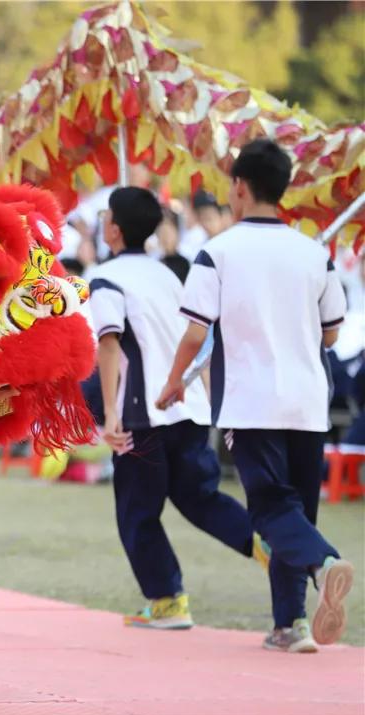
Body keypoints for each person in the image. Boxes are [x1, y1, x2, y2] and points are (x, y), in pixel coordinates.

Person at [157, 138, 354, 652]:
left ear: (239, 189)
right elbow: (332, 332)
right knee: (295, 512)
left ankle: (324, 563)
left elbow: (197, 332)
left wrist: (175, 379)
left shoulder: (216, 252)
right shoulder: (314, 252)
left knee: (269, 511)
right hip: (308, 401)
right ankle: (291, 624)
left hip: (250, 402)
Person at [90, 186, 264, 630]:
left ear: (112, 227)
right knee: (199, 497)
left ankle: (167, 600)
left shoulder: (106, 277)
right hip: (186, 407)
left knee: (136, 510)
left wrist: (109, 413)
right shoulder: (167, 274)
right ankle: (270, 544)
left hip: (141, 415)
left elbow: (109, 345)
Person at [157, 206, 191, 284]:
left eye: (169, 233)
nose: (165, 238)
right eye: (162, 233)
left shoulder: (185, 263)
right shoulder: (156, 262)